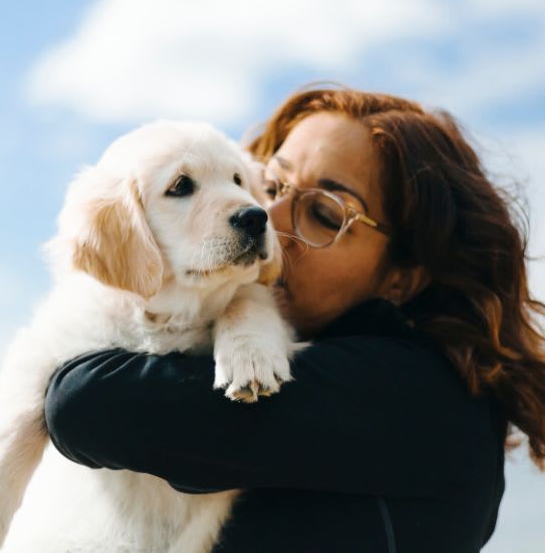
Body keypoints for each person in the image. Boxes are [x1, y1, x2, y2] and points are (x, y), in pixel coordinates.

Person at [44, 87, 545, 552]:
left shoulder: (417, 396)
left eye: (326, 214)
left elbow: (88, 404)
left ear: (403, 279)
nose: (270, 220)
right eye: (271, 184)